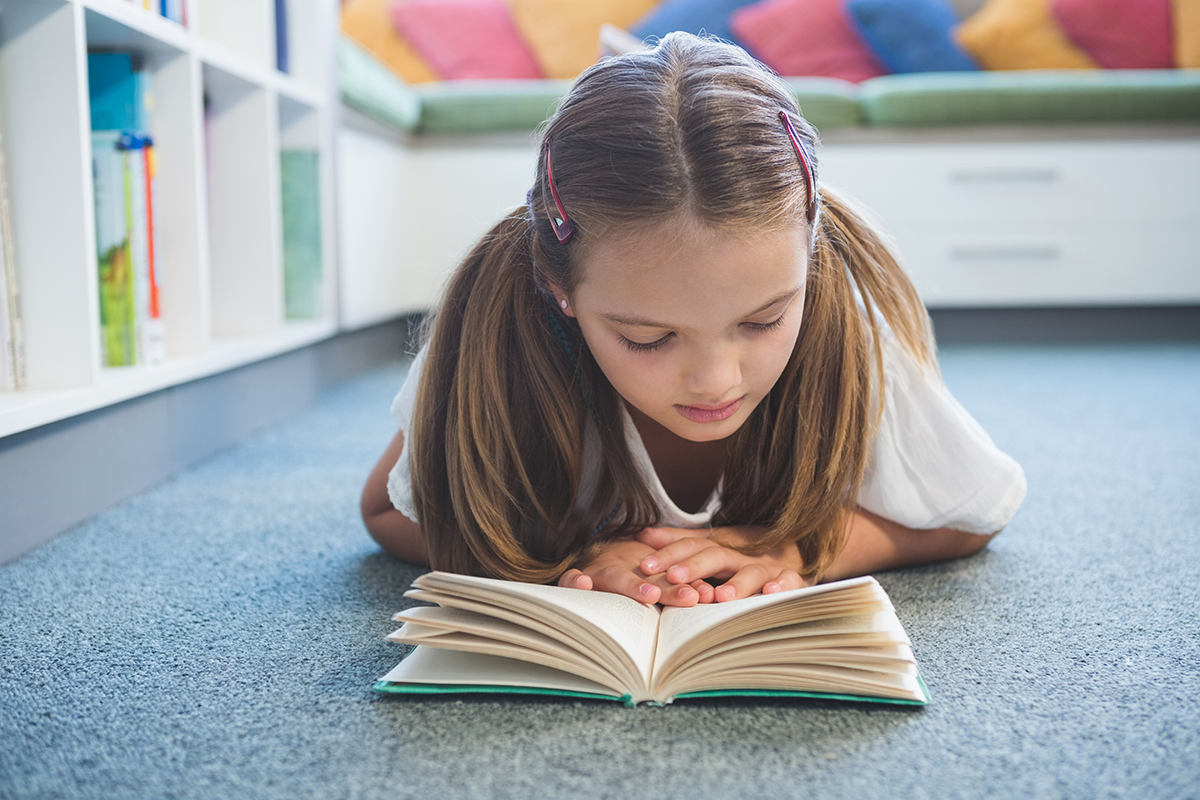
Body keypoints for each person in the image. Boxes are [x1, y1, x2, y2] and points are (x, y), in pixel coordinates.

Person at [361, 32, 1026, 607]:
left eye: (765, 321)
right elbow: (386, 509)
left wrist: (804, 551)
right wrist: (569, 560)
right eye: (647, 337)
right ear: (560, 288)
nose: (715, 381)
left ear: (810, 256)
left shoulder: (840, 306)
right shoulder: (502, 313)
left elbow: (974, 512)